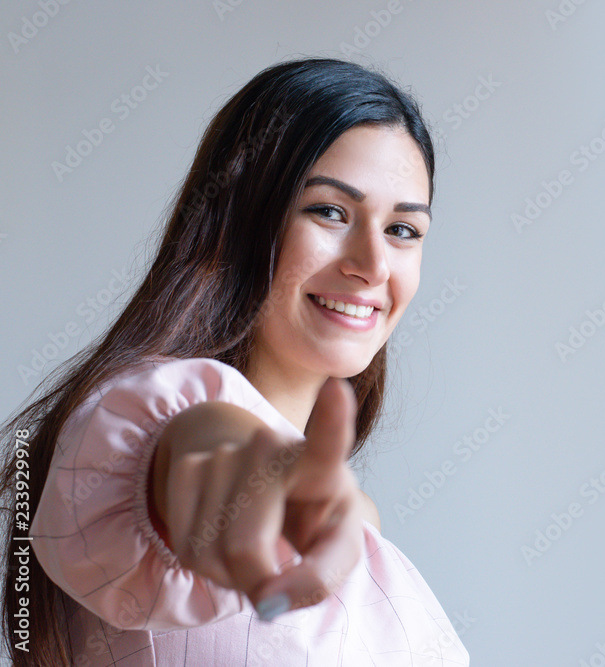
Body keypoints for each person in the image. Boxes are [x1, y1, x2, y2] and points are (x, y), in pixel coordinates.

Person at [0, 57, 470, 666]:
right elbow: (194, 443)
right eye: (329, 211)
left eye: (403, 229)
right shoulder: (141, 424)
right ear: (237, 218)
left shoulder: (348, 529)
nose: (373, 264)